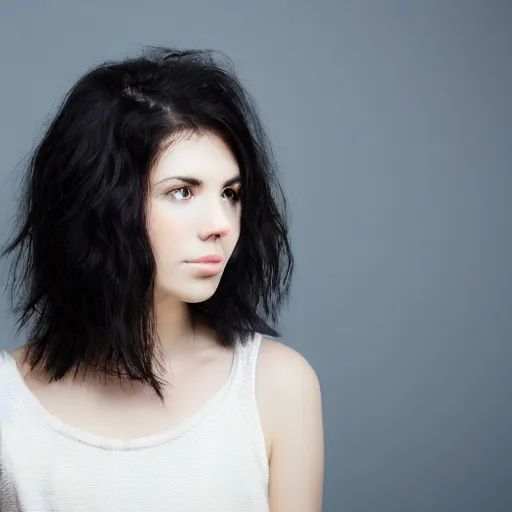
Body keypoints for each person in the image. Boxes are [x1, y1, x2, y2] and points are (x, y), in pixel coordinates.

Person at [0, 47, 324, 511]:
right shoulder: (8, 409)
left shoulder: (277, 386)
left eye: (231, 192)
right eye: (182, 191)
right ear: (98, 203)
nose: (221, 222)